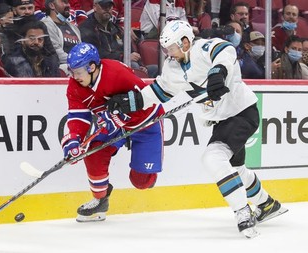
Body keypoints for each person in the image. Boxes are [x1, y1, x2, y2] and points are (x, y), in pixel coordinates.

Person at [106, 20, 288, 238]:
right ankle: (267, 204)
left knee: (213, 158)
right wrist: (130, 101)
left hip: (241, 112)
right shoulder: (173, 68)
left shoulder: (203, 48)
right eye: (166, 49)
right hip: (222, 121)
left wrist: (217, 73)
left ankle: (242, 212)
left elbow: (226, 50)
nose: (168, 53)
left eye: (171, 47)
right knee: (235, 168)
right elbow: (157, 93)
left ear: (185, 42)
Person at [62, 42, 164, 222]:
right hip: (116, 125)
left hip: (145, 122)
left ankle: (146, 173)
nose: (74, 76)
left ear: (92, 67)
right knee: (93, 151)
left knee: (141, 182)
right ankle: (100, 200)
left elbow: (146, 102)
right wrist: (74, 141)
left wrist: (121, 115)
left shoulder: (117, 73)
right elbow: (78, 116)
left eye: (78, 72)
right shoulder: (75, 86)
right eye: (72, 71)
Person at [79, 0, 157, 78]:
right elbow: (97, 54)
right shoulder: (86, 28)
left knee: (155, 69)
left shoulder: (117, 29)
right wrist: (122, 57)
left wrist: (141, 66)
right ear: (95, 7)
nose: (107, 9)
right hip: (103, 68)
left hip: (122, 65)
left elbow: (130, 50)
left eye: (109, 6)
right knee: (133, 65)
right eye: (103, 6)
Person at [42, 0, 81, 75]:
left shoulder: (74, 28)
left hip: (78, 66)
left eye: (68, 2)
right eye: (64, 2)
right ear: (52, 5)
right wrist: (79, 60)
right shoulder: (45, 25)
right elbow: (56, 53)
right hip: (59, 68)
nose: (68, 5)